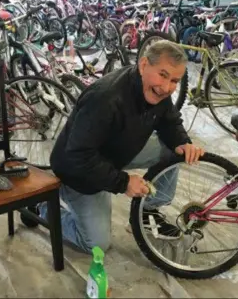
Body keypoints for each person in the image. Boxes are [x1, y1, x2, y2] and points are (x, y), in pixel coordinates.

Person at [39, 40, 205, 254]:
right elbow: (78, 155)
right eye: (162, 75)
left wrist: (182, 142)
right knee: (96, 244)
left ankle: (147, 213)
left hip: (118, 151)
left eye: (175, 80)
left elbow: (169, 121)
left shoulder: (157, 91)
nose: (166, 87)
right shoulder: (105, 98)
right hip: (79, 169)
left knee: (173, 151)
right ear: (144, 65)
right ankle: (43, 207)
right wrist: (123, 182)